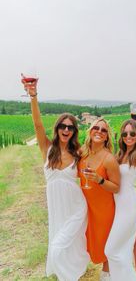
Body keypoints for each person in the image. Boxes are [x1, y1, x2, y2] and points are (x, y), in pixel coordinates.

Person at [21, 78, 89, 281]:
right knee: (61, 240)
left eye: (70, 127)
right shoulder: (47, 148)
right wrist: (33, 96)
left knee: (68, 243)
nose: (66, 130)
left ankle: (73, 272)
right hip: (57, 207)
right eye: (63, 126)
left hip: (76, 206)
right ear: (58, 128)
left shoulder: (78, 153)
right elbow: (37, 123)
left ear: (74, 131)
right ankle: (67, 274)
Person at [105, 118, 136, 281]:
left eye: (133, 133)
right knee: (135, 237)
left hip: (129, 205)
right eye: (125, 133)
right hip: (119, 205)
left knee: (111, 250)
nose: (128, 136)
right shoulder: (120, 154)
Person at [78, 118, 120, 281]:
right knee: (86, 238)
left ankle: (106, 275)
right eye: (96, 128)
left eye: (104, 130)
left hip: (103, 208)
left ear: (107, 137)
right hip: (85, 205)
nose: (99, 131)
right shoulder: (82, 152)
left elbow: (116, 187)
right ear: (90, 131)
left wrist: (99, 179)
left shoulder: (109, 159)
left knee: (104, 241)